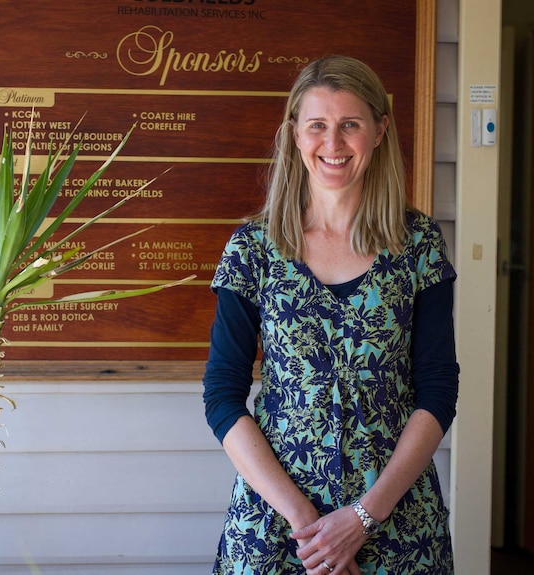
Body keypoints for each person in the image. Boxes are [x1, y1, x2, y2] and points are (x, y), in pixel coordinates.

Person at [202, 55, 459, 575]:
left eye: (351, 125)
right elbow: (222, 395)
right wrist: (312, 529)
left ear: (380, 131)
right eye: (317, 125)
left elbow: (437, 387)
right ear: (295, 134)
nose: (333, 143)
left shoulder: (419, 245)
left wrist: (362, 518)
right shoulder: (253, 249)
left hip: (396, 520)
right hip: (278, 527)